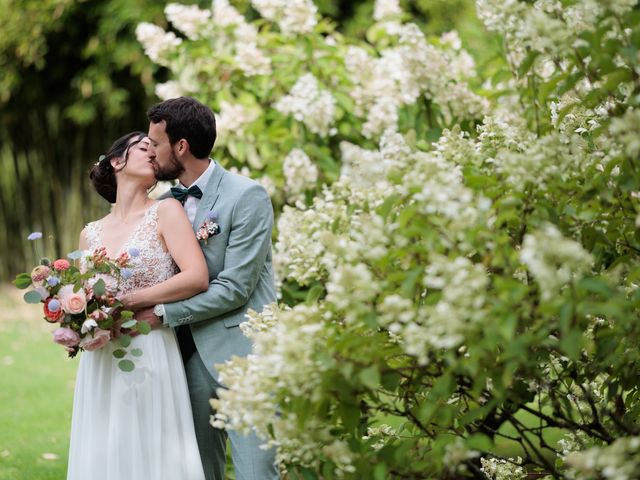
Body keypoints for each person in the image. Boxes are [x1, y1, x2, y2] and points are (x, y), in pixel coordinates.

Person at [133, 96, 280, 480]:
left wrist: (163, 313)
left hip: (244, 356)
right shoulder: (163, 205)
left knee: (256, 471)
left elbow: (235, 288)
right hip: (183, 359)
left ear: (181, 146)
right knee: (196, 471)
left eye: (156, 144)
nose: (150, 154)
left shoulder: (247, 196)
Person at [67, 131, 208, 480]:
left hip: (150, 347)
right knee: (104, 445)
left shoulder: (166, 211)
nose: (152, 153)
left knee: (153, 447)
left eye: (154, 150)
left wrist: (128, 300)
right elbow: (84, 295)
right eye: (143, 147)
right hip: (102, 356)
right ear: (117, 161)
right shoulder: (91, 233)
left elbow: (195, 277)